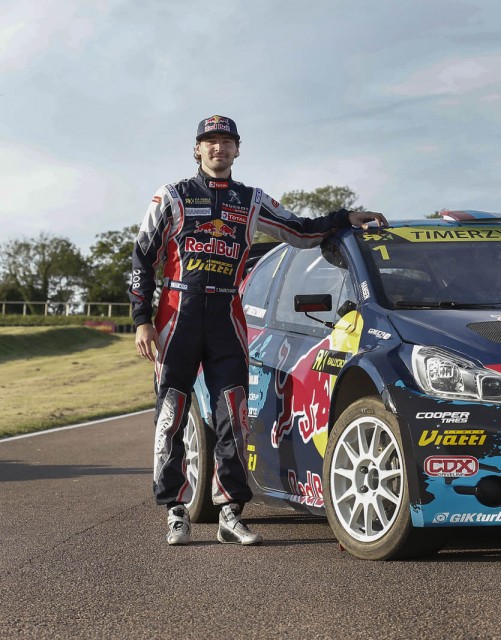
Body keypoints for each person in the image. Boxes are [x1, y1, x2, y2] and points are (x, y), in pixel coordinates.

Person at [130, 115, 387, 546]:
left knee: (234, 412)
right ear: (197, 149)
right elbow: (142, 258)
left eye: (226, 141)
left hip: (228, 315)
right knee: (172, 412)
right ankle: (176, 510)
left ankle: (231, 510)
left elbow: (301, 231)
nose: (218, 148)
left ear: (237, 149)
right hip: (177, 315)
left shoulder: (250, 200)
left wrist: (345, 218)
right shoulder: (172, 196)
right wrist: (141, 320)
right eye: (210, 142)